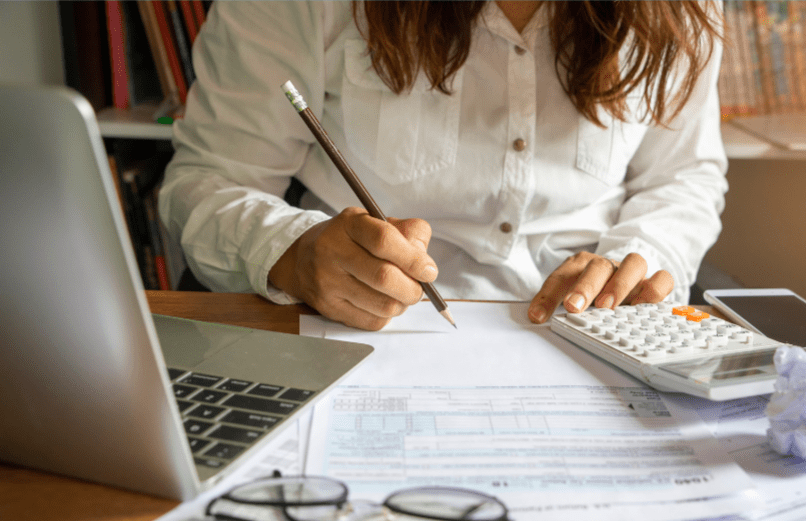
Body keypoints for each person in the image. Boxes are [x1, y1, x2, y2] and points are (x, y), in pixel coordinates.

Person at [160, 1, 727, 331]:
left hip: (592, 333)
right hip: (357, 331)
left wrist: (638, 261)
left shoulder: (681, 10)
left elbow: (682, 178)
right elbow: (209, 180)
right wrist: (292, 252)